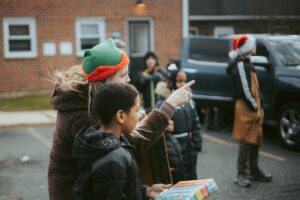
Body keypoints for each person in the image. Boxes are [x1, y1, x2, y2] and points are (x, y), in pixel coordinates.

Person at [48, 38, 194, 199]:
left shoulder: (92, 103)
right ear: (106, 80)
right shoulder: (83, 118)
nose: (129, 80)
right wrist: (169, 105)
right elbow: (130, 143)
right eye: (123, 75)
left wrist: (144, 191)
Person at [72, 83, 171, 199]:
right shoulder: (113, 158)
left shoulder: (107, 144)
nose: (139, 115)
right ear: (121, 116)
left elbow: (120, 187)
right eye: (136, 110)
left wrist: (146, 191)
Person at [226, 35, 273, 188]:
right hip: (246, 107)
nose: (255, 47)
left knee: (256, 139)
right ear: (247, 48)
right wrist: (255, 106)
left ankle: (253, 170)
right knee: (246, 141)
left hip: (253, 106)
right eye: (253, 45)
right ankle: (241, 173)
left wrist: (261, 104)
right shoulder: (241, 65)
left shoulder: (247, 63)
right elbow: (245, 90)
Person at [155, 66, 202, 180]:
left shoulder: (189, 101)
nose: (183, 84)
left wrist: (197, 143)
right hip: (175, 149)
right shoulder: (164, 103)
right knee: (179, 177)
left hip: (190, 146)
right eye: (179, 81)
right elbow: (160, 128)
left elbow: (196, 122)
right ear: (171, 83)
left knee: (192, 174)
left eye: (184, 81)